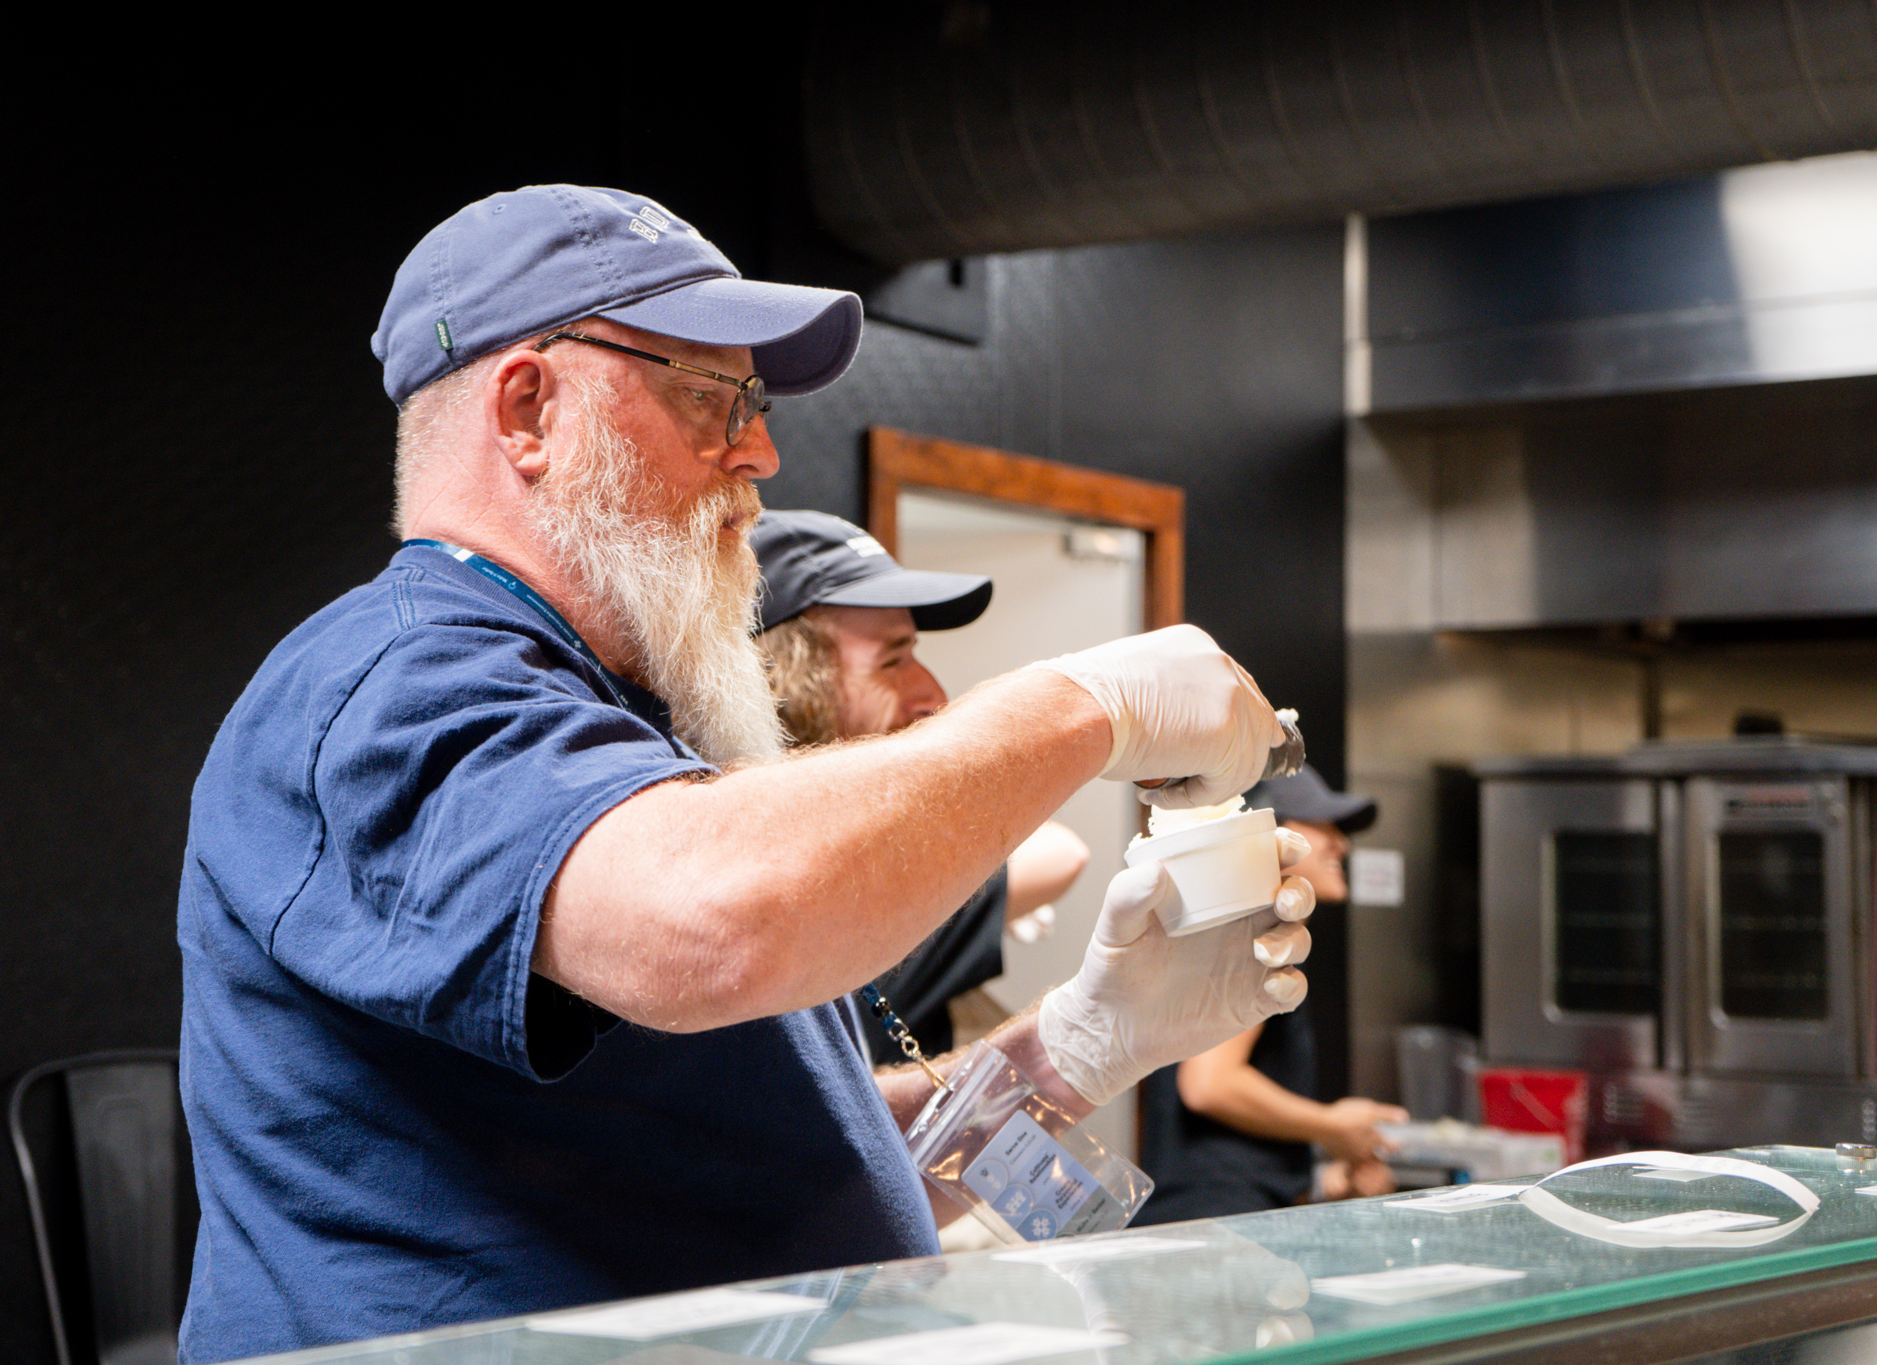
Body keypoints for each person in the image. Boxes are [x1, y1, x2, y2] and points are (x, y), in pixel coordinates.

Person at [175, 184, 1315, 1362]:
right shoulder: (394, 682)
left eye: (752, 401)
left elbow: (796, 1167)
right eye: (708, 395)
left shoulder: (623, 728)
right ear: (528, 410)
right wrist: (1084, 705)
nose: (759, 450)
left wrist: (1081, 1043)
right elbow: (712, 923)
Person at [748, 509, 1091, 1060]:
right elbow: (1058, 852)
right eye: (893, 661)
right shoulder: (792, 886)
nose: (931, 692)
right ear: (784, 680)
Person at [1133, 765, 1406, 1224]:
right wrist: (1333, 1126)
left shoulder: (1258, 930)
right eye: (1324, 825)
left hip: (1215, 1214)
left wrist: (1321, 1179)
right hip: (1212, 1218)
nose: (1340, 843)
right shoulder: (1248, 931)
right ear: (1268, 835)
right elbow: (1209, 1085)